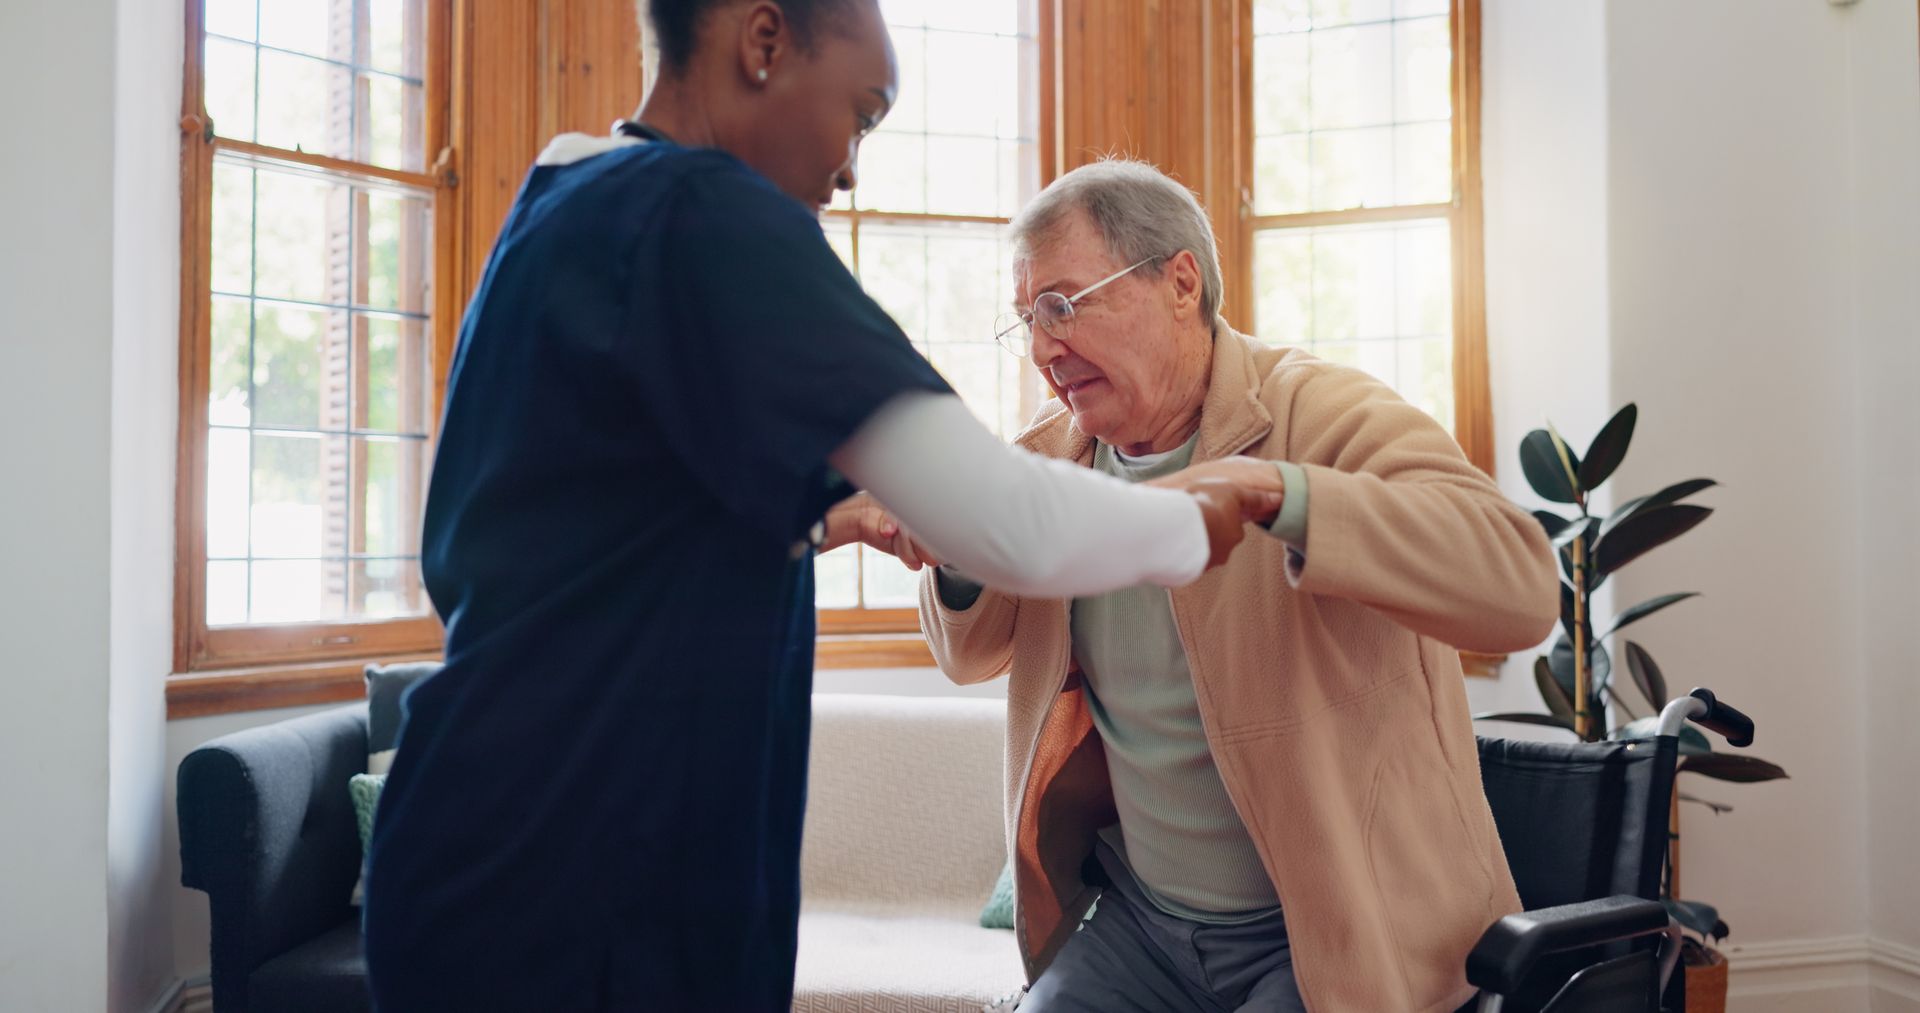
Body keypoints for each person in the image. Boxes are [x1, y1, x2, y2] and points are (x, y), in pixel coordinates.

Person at [360, 2, 1285, 1010]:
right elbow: (1009, 521)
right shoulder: (704, 213)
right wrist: (1205, 508)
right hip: (578, 884)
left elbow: (601, 523)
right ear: (763, 43)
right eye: (863, 111)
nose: (850, 168)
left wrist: (816, 523)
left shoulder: (565, 197)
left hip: (481, 849)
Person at [917, 160, 1560, 1012]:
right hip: (1140, 926)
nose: (1042, 348)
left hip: (1322, 930)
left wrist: (1281, 496)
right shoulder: (1049, 456)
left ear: (1180, 282)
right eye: (1026, 321)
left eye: (1063, 306)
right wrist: (954, 551)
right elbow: (971, 652)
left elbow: (1519, 582)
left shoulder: (1321, 412)